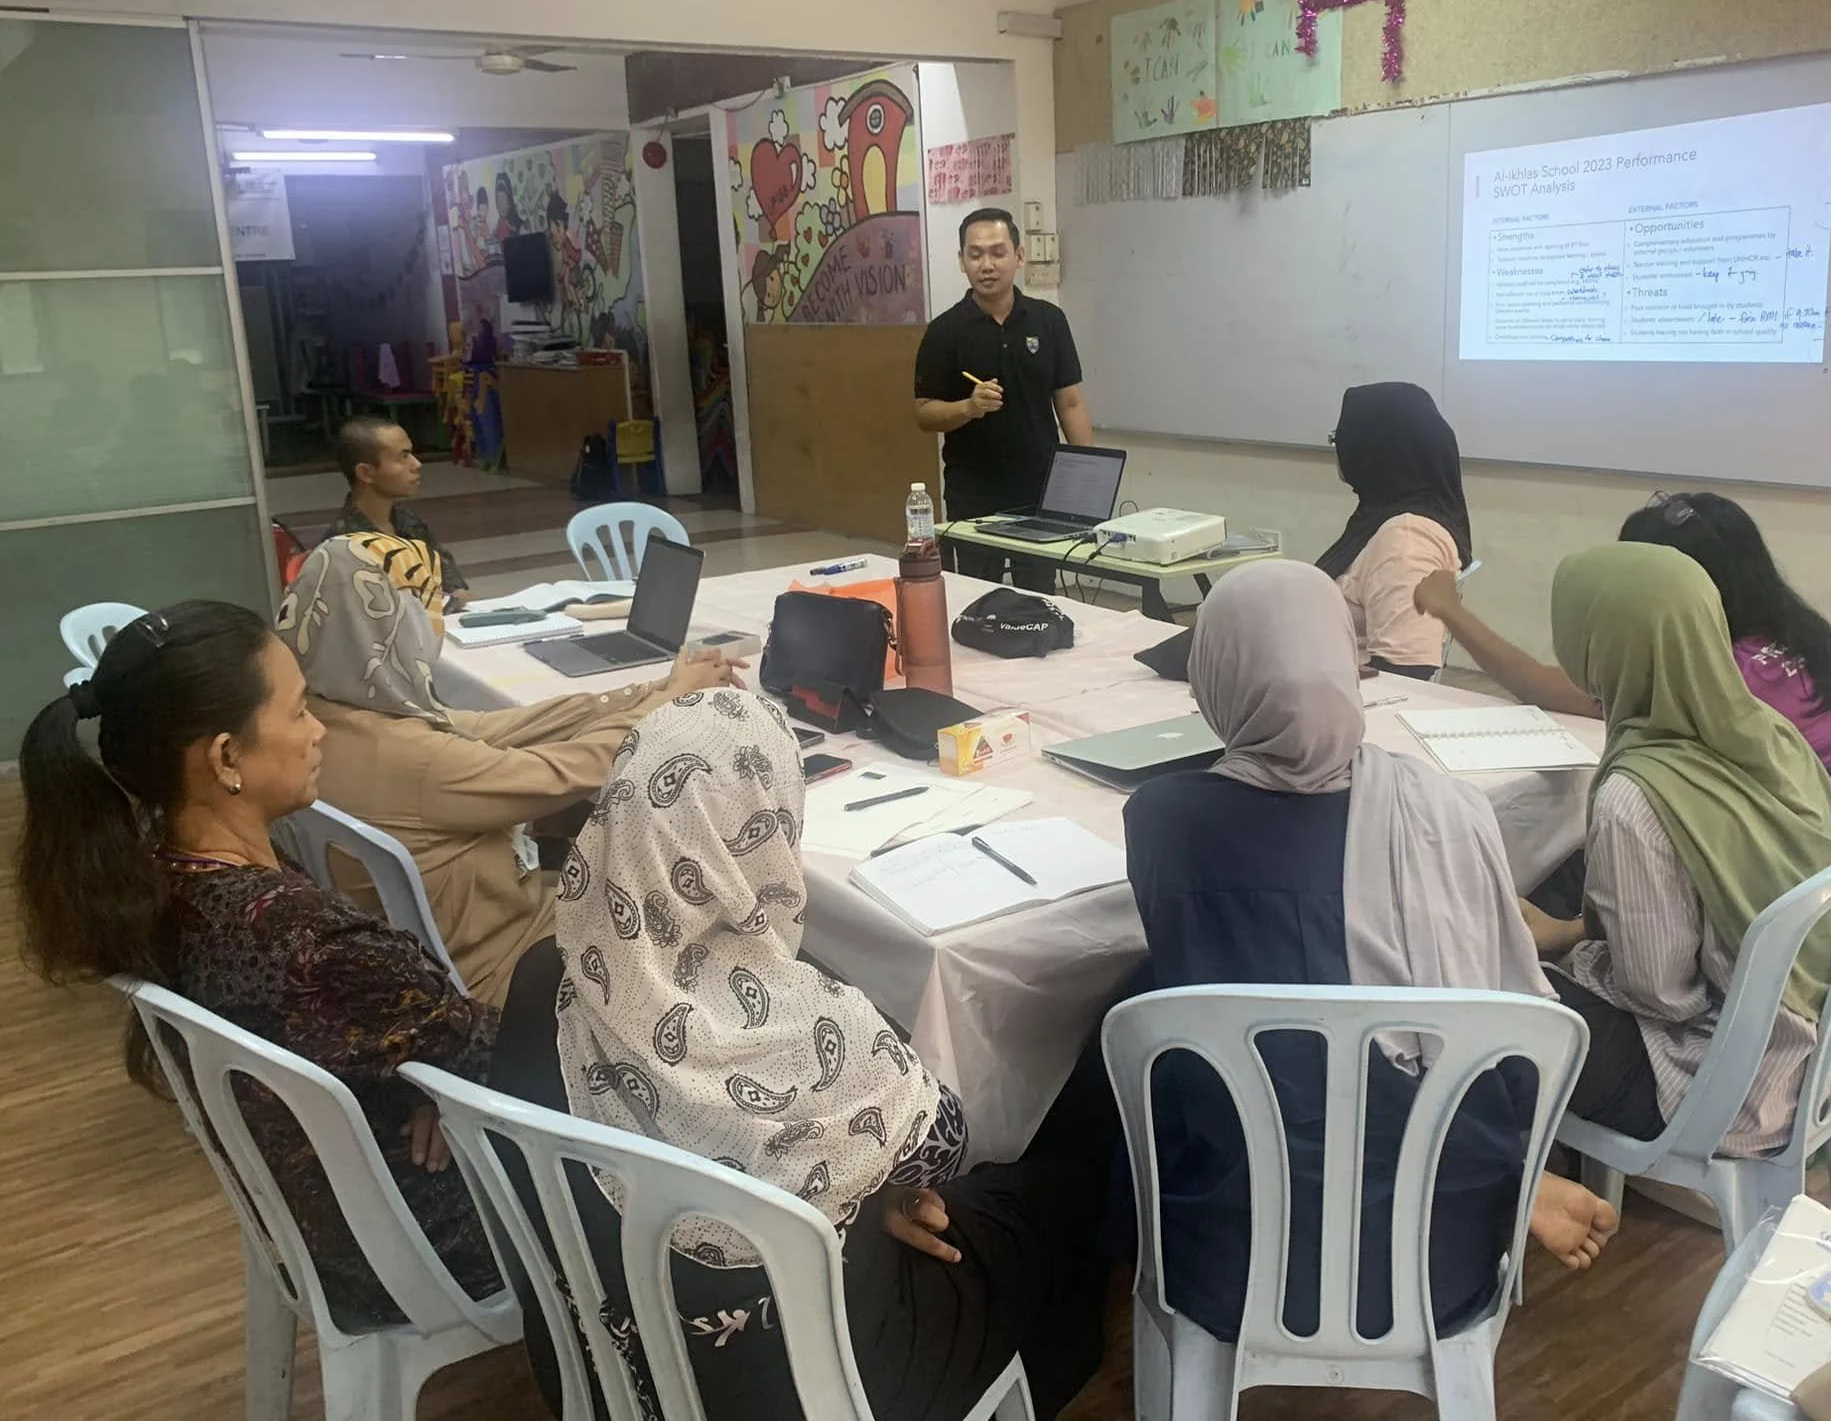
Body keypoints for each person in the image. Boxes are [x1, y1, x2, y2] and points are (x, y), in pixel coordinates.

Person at [486, 691, 1120, 1421]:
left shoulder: (546, 978)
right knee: (1052, 1193)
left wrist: (852, 1192)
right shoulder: (816, 1031)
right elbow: (945, 1148)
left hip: (598, 1367)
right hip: (805, 1390)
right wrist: (864, 1187)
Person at [1120, 561, 1616, 1346]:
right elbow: (1511, 1033)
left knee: (1131, 1035)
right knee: (1410, 1052)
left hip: (1234, 1255)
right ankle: (1514, 1183)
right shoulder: (1445, 810)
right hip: (1444, 1247)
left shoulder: (1160, 821)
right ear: (1347, 663)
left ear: (1212, 676)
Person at [14, 601, 502, 1324]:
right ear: (225, 758)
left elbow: (437, 1040)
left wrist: (436, 1077)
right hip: (430, 1233)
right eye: (299, 712)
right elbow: (492, 1050)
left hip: (324, 1213)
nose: (319, 731)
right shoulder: (312, 946)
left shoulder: (156, 877)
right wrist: (454, 1079)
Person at [280, 536, 745, 1006]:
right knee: (712, 879)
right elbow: (564, 771)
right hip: (512, 969)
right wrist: (672, 703)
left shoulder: (332, 715)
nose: (434, 627)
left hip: (455, 944)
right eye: (427, 609)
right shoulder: (409, 757)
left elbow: (502, 727)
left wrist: (654, 689)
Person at [1533, 543, 1831, 1150]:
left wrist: (1574, 954)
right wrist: (1578, 930)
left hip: (1725, 1082)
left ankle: (1528, 1186)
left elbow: (1661, 995)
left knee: (1491, 988)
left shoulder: (1635, 797)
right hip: (1814, 1048)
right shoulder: (1768, 731)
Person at [1413, 490, 1831, 826]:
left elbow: (1538, 685)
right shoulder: (1807, 637)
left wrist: (1449, 609)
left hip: (1782, 880)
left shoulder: (1703, 680)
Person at [913, 207, 1095, 591]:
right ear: (962, 261)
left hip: (1040, 485)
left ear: (1019, 255)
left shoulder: (1049, 321)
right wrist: (968, 407)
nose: (987, 264)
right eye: (975, 254)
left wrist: (1089, 474)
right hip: (974, 493)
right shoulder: (945, 331)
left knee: (1040, 598)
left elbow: (1070, 402)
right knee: (977, 597)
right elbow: (924, 414)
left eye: (998, 252)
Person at [1315, 382, 1473, 680]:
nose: (1337, 450)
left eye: (1339, 439)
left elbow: (1407, 670)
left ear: (1372, 448)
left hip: (1336, 700)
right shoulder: (1383, 515)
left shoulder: (1406, 539)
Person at [329, 413, 470, 613]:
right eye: (403, 457)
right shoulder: (343, 547)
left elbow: (456, 589)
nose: (416, 464)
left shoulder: (410, 524)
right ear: (366, 473)